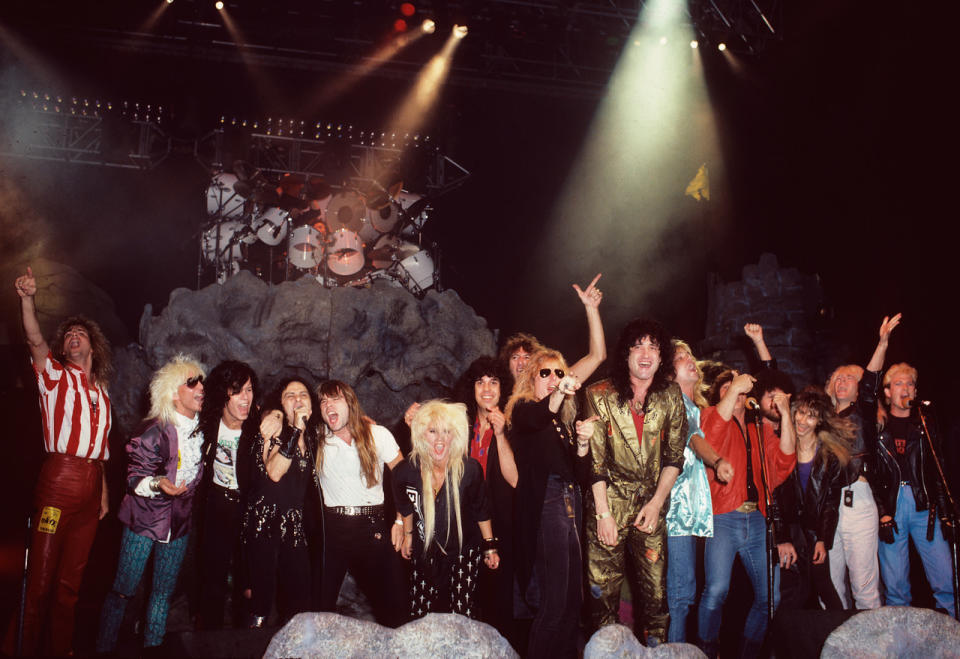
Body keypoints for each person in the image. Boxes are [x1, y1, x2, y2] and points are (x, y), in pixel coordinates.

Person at [6, 266, 113, 656]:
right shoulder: (53, 376)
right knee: (40, 580)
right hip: (59, 480)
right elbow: (34, 339)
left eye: (80, 333)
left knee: (71, 585)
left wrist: (102, 492)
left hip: (89, 489)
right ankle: (20, 649)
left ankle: (60, 650)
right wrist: (27, 300)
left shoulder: (101, 391)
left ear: (92, 345)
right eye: (68, 334)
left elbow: (100, 449)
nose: (73, 337)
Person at [583, 319, 687, 646]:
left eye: (653, 347)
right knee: (603, 594)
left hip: (651, 505)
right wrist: (602, 515)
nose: (645, 354)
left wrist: (656, 504)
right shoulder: (599, 394)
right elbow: (595, 463)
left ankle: (656, 654)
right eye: (638, 346)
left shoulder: (671, 395)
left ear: (662, 356)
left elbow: (674, 457)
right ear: (626, 353)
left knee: (656, 596)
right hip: (608, 501)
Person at [96, 355, 206, 653]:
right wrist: (159, 484)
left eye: (201, 382)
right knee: (122, 591)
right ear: (172, 392)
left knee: (162, 595)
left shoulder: (201, 430)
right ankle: (103, 648)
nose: (200, 388)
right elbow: (134, 477)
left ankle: (152, 649)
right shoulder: (153, 429)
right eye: (191, 382)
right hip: (143, 521)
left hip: (179, 524)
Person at [697, 369, 797, 658]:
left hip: (757, 520)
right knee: (716, 590)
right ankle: (706, 650)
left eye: (740, 389)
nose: (736, 392)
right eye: (728, 389)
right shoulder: (709, 417)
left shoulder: (759, 429)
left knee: (771, 599)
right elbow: (711, 436)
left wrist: (786, 415)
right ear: (720, 397)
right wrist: (733, 388)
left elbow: (784, 462)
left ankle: (746, 653)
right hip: (723, 517)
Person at [506, 348, 593, 658]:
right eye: (546, 373)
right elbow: (539, 415)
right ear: (532, 378)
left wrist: (582, 443)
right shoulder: (522, 410)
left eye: (559, 373)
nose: (554, 378)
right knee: (554, 603)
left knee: (572, 600)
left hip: (570, 501)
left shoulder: (562, 423)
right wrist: (561, 393)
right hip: (547, 502)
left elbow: (580, 474)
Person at [822, 313, 900, 610]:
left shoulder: (863, 413)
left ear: (858, 389)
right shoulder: (822, 420)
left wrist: (882, 343)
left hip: (858, 499)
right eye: (837, 378)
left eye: (849, 378)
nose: (843, 381)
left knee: (864, 587)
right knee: (829, 588)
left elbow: (871, 382)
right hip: (828, 506)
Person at [394, 400, 500, 618]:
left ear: (456, 435)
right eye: (432, 431)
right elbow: (404, 504)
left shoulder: (470, 469)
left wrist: (490, 547)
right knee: (420, 613)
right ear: (422, 434)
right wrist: (408, 535)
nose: (440, 438)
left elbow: (481, 509)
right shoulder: (406, 471)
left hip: (464, 550)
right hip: (425, 551)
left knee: (462, 614)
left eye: (447, 431)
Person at [315, 380, 406, 626]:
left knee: (394, 607)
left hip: (372, 526)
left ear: (350, 403)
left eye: (334, 399)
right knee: (320, 610)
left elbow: (404, 476)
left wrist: (400, 520)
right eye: (323, 401)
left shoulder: (378, 434)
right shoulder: (316, 439)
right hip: (333, 529)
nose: (327, 405)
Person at [874, 362, 955, 616]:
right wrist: (882, 511)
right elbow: (871, 471)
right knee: (896, 587)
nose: (905, 388)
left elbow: (938, 469)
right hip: (892, 506)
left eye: (910, 383)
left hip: (924, 507)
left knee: (945, 580)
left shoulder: (925, 425)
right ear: (887, 392)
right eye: (898, 383)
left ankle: (952, 641)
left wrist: (944, 513)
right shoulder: (877, 426)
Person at [665, 339, 733, 643]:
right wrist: (717, 460)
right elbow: (692, 438)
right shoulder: (675, 400)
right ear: (668, 371)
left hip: (689, 509)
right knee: (681, 595)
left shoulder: (691, 404)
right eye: (680, 357)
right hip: (675, 509)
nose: (689, 359)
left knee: (685, 593)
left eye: (689, 354)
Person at [244, 379, 318, 626]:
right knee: (260, 603)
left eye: (303, 394)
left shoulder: (314, 438)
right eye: (290, 395)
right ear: (281, 405)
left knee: (300, 603)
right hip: (265, 524)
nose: (298, 399)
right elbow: (275, 472)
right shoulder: (276, 429)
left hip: (294, 527)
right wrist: (293, 428)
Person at [452, 357, 517, 635]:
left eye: (494, 381)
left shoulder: (515, 427)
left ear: (504, 388)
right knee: (464, 605)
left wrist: (500, 435)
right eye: (480, 382)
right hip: (463, 527)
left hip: (501, 526)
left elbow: (514, 480)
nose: (486, 388)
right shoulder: (461, 427)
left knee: (498, 606)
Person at [772, 388, 853, 612]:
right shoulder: (782, 446)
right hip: (790, 531)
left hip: (813, 531)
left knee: (823, 586)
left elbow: (830, 504)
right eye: (800, 413)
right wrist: (782, 536)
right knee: (793, 592)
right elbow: (775, 495)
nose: (803, 420)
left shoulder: (831, 455)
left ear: (819, 421)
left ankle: (844, 636)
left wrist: (822, 540)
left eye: (811, 416)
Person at [194, 361, 259, 629]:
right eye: (238, 391)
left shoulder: (258, 428)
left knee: (248, 580)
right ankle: (209, 633)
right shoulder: (207, 425)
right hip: (217, 505)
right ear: (223, 393)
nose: (246, 398)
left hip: (248, 507)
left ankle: (245, 636)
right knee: (212, 575)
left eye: (250, 390)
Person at [498, 273, 606, 382]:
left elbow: (597, 356)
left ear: (537, 364)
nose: (521, 362)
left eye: (526, 357)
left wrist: (591, 308)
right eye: (515, 357)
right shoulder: (496, 393)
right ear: (507, 365)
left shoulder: (554, 387)